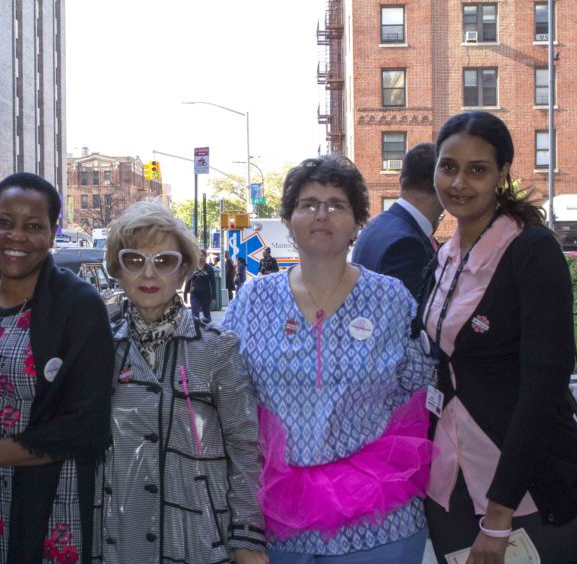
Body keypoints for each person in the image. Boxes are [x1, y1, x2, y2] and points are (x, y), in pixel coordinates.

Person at [224, 155, 436, 563]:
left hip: (378, 521)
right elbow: (227, 393)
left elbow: (419, 384)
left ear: (357, 221)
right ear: (288, 219)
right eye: (308, 203)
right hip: (279, 522)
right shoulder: (254, 299)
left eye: (337, 204)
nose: (322, 214)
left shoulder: (391, 299)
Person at [421, 111, 577, 563]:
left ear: (502, 176)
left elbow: (543, 390)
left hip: (523, 491)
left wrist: (499, 515)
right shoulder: (445, 256)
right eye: (449, 166)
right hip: (448, 481)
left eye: (478, 169)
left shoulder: (532, 252)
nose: (459, 181)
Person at [0, 172, 114, 564]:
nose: (16, 236)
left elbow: (86, 426)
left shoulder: (78, 307)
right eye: (4, 222)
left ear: (52, 235)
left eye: (33, 226)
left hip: (53, 499)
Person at [96, 200, 267, 563]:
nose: (148, 274)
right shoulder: (99, 351)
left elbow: (245, 449)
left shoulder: (218, 349)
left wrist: (247, 539)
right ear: (116, 268)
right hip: (118, 534)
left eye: (163, 261)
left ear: (183, 270)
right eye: (134, 260)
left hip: (196, 535)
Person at [352, 142, 443, 298]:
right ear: (441, 186)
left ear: (401, 180)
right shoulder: (407, 245)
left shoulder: (374, 224)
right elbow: (410, 318)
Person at [183, 248, 216, 321]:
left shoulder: (209, 269)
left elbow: (213, 283)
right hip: (195, 295)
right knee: (195, 316)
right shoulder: (193, 268)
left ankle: (209, 329)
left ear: (205, 256)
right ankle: (196, 331)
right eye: (198, 256)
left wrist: (214, 297)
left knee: (207, 316)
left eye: (202, 255)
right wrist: (185, 294)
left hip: (206, 295)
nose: (200, 258)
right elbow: (188, 281)